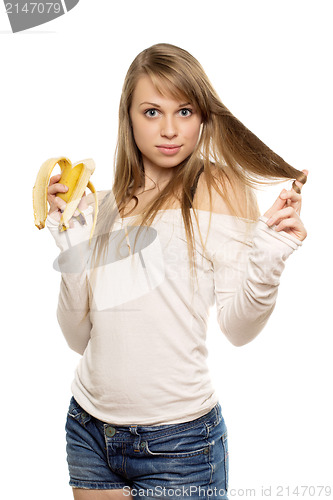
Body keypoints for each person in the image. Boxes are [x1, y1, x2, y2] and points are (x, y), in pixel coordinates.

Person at [45, 43, 308, 500]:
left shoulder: (220, 189)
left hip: (180, 444)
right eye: (151, 112)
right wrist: (71, 248)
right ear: (128, 118)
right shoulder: (104, 206)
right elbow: (76, 337)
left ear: (203, 116)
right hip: (89, 431)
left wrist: (269, 256)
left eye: (184, 110)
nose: (169, 130)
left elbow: (238, 328)